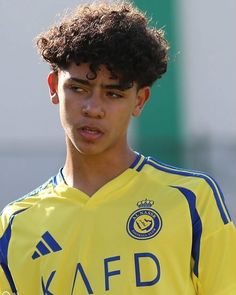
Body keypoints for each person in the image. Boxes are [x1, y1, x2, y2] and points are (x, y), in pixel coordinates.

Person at [0, 1, 236, 294]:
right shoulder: (17, 224)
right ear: (53, 87)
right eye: (79, 89)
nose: (93, 108)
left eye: (113, 93)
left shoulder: (192, 199)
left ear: (139, 100)